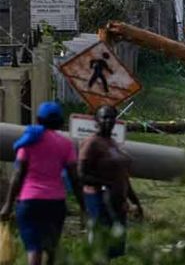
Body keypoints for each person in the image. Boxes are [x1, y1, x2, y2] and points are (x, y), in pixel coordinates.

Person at [0, 101, 85, 265]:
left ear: (38, 120)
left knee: (34, 248)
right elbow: (75, 178)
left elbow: (18, 174)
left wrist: (8, 204)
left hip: (29, 201)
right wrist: (83, 205)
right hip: (55, 202)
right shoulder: (66, 145)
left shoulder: (29, 141)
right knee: (51, 246)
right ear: (60, 122)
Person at [79, 105, 143, 260]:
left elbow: (122, 177)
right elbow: (81, 174)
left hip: (117, 202)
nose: (108, 121)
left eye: (111, 117)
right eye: (104, 117)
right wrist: (106, 183)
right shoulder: (91, 143)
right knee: (101, 245)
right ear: (96, 120)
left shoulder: (112, 143)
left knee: (114, 247)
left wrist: (135, 202)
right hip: (99, 200)